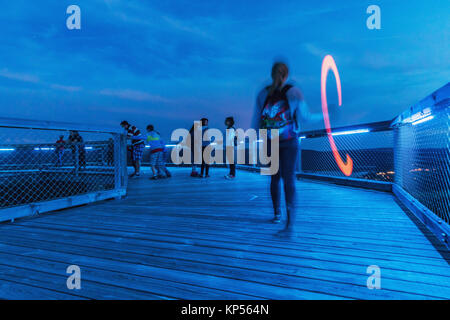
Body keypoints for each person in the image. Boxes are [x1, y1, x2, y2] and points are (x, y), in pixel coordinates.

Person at [252, 61, 321, 236]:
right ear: (287, 74)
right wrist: (326, 115)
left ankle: (277, 214)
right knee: (289, 179)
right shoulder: (294, 92)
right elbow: (305, 117)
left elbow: (256, 122)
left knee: (274, 179)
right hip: (289, 140)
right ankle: (289, 225)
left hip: (270, 140)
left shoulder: (262, 94)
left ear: (272, 73)